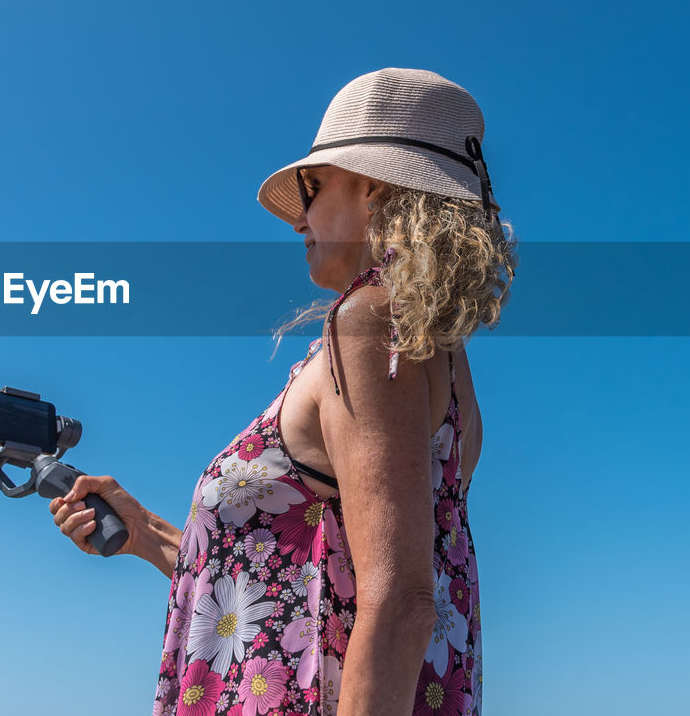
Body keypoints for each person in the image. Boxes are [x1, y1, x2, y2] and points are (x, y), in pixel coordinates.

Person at [49, 68, 517, 716]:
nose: (300, 219)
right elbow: (302, 581)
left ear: (373, 188)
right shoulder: (435, 354)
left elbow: (401, 599)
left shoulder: (367, 321)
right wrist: (148, 533)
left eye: (313, 186)